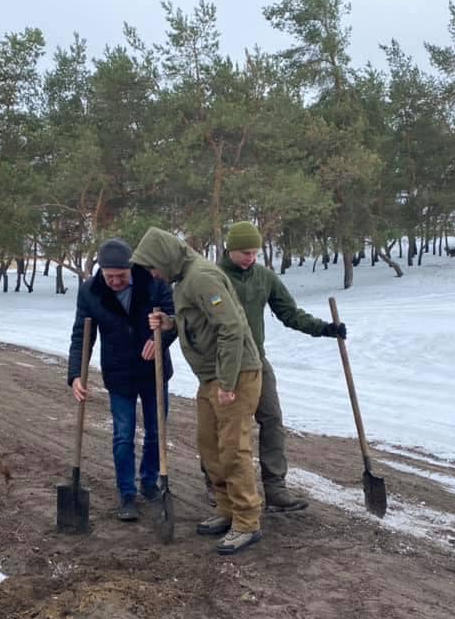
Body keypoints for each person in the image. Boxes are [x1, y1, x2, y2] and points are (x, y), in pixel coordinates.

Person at [132, 227, 264, 556]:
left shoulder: (202, 277)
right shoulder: (183, 280)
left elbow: (231, 328)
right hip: (210, 377)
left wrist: (228, 383)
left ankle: (247, 521)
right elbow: (200, 322)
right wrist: (170, 324)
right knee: (210, 447)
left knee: (233, 449)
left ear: (163, 258)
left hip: (233, 375)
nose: (153, 274)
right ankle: (226, 509)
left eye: (152, 267)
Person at [216, 221, 347, 513]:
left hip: (256, 360)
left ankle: (275, 488)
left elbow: (289, 313)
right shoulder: (213, 277)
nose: (250, 258)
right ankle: (221, 489)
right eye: (244, 252)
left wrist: (325, 328)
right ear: (230, 249)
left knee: (272, 419)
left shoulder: (264, 277)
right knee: (228, 430)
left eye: (254, 252)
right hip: (222, 364)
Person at [67, 238, 176, 522]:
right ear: (101, 272)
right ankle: (126, 494)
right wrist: (76, 374)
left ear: (132, 268)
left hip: (154, 371)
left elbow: (175, 320)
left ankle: (150, 482)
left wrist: (162, 338)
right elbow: (82, 334)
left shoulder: (153, 282)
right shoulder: (90, 291)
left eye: (121, 276)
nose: (115, 281)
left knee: (156, 430)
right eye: (109, 276)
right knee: (123, 435)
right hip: (119, 372)